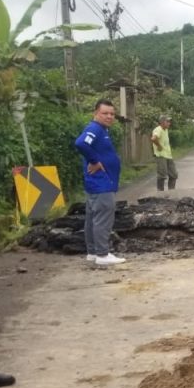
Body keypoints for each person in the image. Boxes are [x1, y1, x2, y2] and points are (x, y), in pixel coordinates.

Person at [75, 99, 126, 266]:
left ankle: (92, 252)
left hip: (97, 184)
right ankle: (103, 255)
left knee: (92, 218)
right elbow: (81, 143)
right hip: (101, 183)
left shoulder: (101, 130)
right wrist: (94, 160)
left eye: (112, 114)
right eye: (105, 113)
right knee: (103, 218)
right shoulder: (94, 129)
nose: (109, 116)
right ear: (95, 114)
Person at [151, 115, 177, 191]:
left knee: (174, 175)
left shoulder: (165, 130)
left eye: (169, 121)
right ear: (162, 122)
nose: (169, 123)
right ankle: (160, 193)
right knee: (162, 175)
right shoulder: (158, 129)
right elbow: (153, 138)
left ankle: (171, 192)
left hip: (168, 156)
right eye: (167, 121)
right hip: (161, 156)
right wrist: (158, 146)